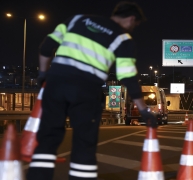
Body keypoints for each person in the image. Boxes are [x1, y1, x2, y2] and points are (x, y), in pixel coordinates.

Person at [26, 2, 157, 180]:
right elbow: (128, 78)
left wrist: (43, 74)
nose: (133, 28)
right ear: (131, 19)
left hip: (56, 84)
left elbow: (47, 46)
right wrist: (143, 110)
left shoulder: (77, 19)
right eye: (135, 25)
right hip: (86, 90)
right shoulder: (123, 38)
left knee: (47, 137)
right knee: (84, 142)